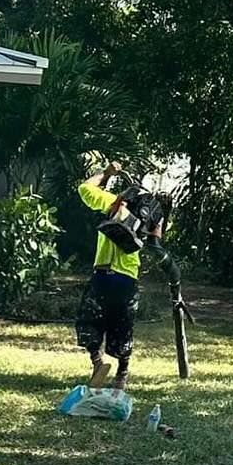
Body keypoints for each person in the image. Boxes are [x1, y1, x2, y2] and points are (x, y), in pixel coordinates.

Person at [74, 160, 162, 391]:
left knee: (89, 321)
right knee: (123, 326)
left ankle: (98, 361)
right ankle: (122, 375)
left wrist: (106, 173)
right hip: (127, 278)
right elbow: (156, 243)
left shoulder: (114, 203)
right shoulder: (152, 216)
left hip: (103, 273)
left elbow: (84, 189)